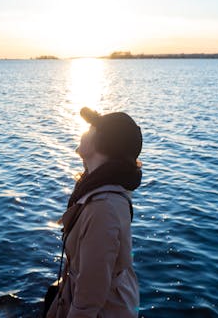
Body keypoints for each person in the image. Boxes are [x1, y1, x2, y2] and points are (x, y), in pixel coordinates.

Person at [46, 107, 143, 318]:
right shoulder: (96, 189)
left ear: (104, 143)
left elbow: (89, 301)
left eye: (90, 128)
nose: (84, 132)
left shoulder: (103, 209)